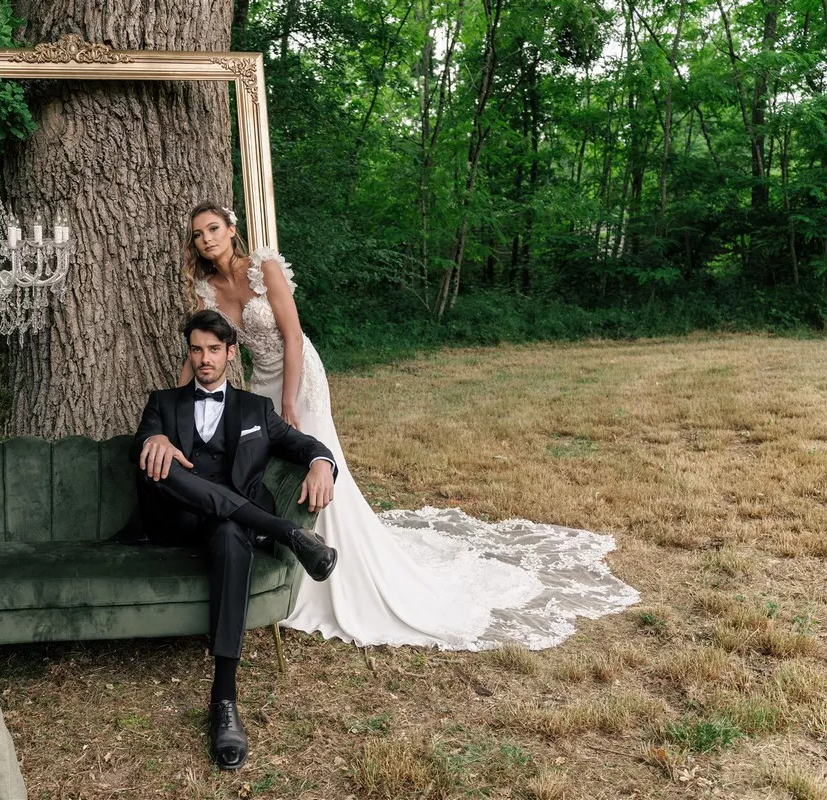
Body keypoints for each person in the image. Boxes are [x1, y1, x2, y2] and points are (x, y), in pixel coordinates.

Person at [180, 201, 642, 651]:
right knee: (274, 470)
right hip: (262, 382)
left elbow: (294, 335)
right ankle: (291, 558)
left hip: (299, 377)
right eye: (198, 235)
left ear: (231, 229)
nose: (207, 240)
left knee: (315, 462)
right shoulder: (208, 290)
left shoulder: (264, 268)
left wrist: (289, 401)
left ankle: (332, 565)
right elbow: (198, 351)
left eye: (213, 229)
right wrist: (176, 406)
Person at [131, 309, 339, 770]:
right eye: (196, 350)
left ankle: (224, 699)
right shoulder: (162, 403)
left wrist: (322, 464)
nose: (204, 359)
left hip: (226, 526)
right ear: (189, 354)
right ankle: (287, 533)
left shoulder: (255, 410)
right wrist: (154, 441)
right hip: (176, 520)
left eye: (213, 349)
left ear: (230, 353)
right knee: (158, 465)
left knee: (230, 533)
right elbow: (140, 445)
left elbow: (306, 446)